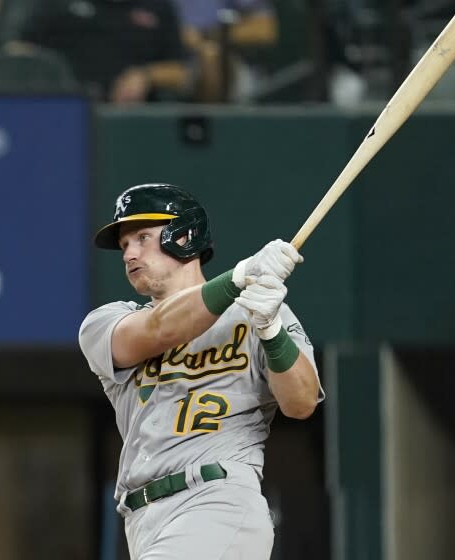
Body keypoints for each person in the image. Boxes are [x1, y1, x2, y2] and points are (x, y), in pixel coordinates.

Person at [78, 183, 323, 558]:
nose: (129, 253)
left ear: (185, 235)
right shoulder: (107, 321)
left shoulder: (257, 312)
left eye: (142, 237)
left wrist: (272, 331)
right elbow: (161, 328)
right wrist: (239, 277)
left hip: (217, 500)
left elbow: (302, 402)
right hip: (142, 518)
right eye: (125, 245)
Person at [20, 0, 191, 104]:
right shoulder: (57, 4)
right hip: (66, 109)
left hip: (129, 116)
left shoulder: (158, 6)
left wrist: (145, 76)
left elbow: (180, 72)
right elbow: (20, 50)